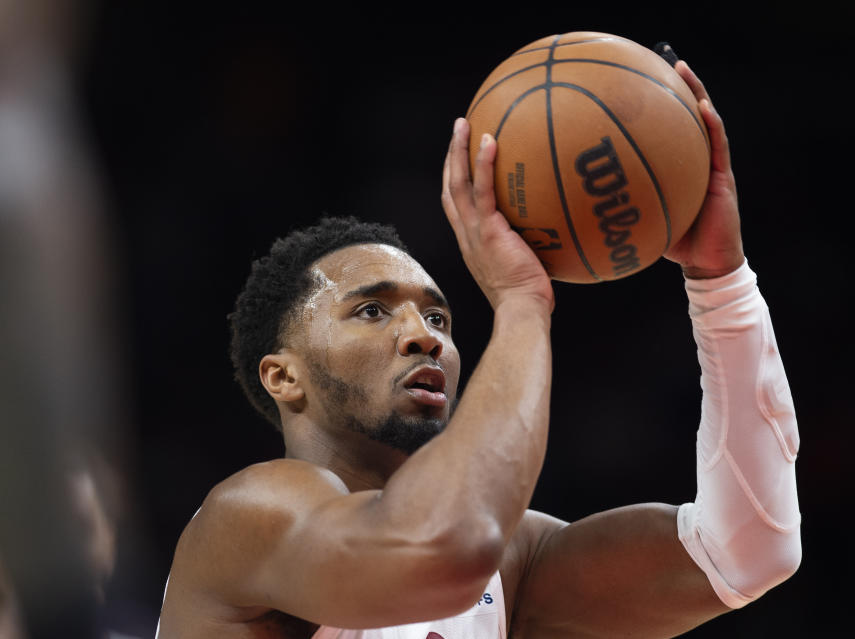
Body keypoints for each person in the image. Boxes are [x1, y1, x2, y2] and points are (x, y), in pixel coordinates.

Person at [155, 52, 801, 638]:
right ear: (282, 375)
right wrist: (522, 301)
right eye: (373, 310)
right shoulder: (243, 521)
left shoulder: (512, 562)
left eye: (439, 319)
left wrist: (722, 282)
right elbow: (440, 549)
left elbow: (747, 550)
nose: (420, 335)